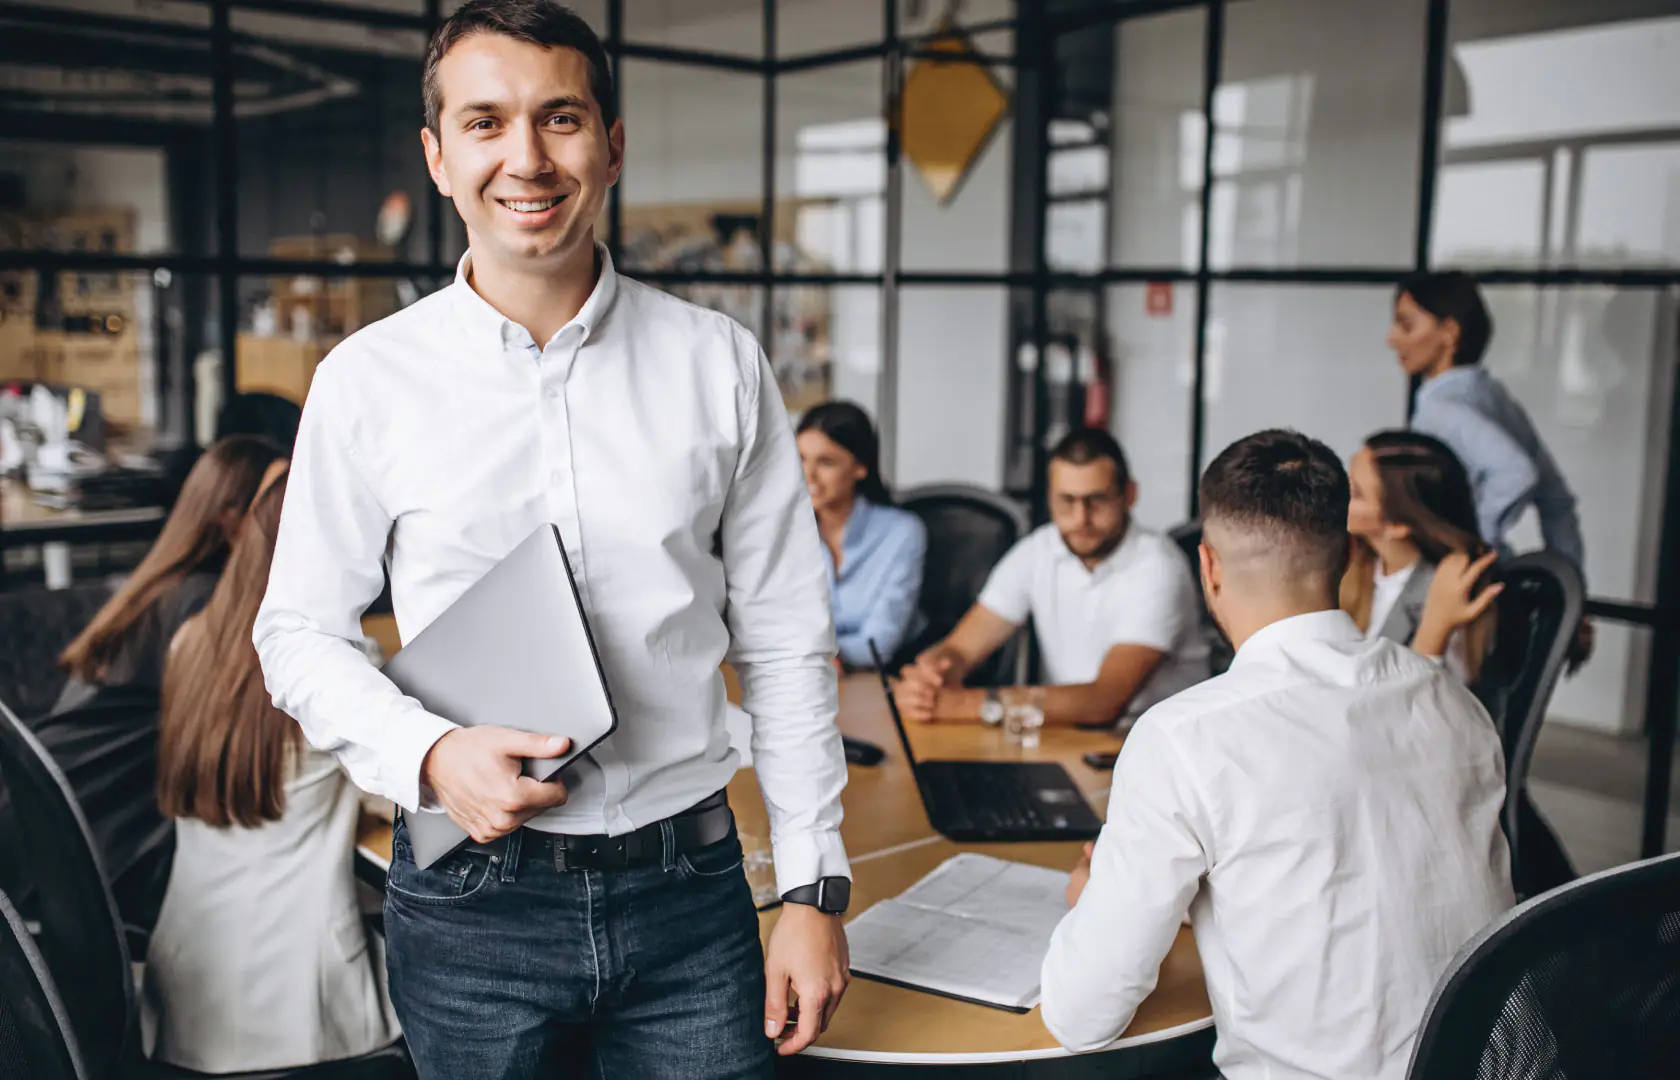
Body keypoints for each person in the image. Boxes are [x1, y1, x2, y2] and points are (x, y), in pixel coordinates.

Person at [252, 3, 850, 1076]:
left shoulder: (719, 364)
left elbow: (787, 640)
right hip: (471, 899)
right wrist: (428, 753)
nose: (525, 158)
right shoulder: (363, 383)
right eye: (485, 123)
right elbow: (296, 633)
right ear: (438, 158)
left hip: (693, 899)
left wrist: (810, 886)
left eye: (560, 118)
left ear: (612, 145)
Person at [1039, 429, 1514, 1077]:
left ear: (1208, 568)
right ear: (1347, 555)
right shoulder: (1457, 705)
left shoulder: (1183, 737)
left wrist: (1095, 901)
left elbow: (1081, 1015)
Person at [147, 461, 400, 1072]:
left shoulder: (189, 643)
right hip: (300, 1012)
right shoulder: (342, 670)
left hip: (184, 995)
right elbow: (399, 793)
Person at [22, 434, 284, 935]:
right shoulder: (201, 609)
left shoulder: (163, 584)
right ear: (231, 519)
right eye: (273, 506)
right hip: (92, 839)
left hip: (48, 817)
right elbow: (256, 731)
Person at [895, 428, 1208, 729]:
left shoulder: (1158, 566)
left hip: (1153, 747)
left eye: (1096, 500)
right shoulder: (1039, 550)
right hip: (1067, 738)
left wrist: (962, 706)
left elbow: (1104, 701)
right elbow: (963, 647)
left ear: (1129, 495)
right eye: (1066, 501)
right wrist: (935, 673)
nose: (1080, 518)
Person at [1392, 272, 1585, 571]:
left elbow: (1517, 472)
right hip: (1490, 578)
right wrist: (1567, 589)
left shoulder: (1442, 408)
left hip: (1452, 578)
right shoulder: (1497, 398)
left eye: (1406, 325)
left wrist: (1473, 544)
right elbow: (1556, 501)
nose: (1392, 339)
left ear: (1449, 332)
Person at [1342, 429, 1502, 683]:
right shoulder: (1352, 564)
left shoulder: (1450, 587)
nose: (1335, 493)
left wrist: (1434, 630)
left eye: (1356, 493)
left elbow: (1415, 705)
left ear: (1396, 525)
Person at [796, 401, 926, 669]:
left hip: (886, 678)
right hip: (807, 677)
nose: (807, 474)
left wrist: (816, 654)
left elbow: (880, 643)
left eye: (826, 462)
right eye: (800, 459)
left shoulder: (902, 533)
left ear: (860, 467)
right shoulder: (786, 534)